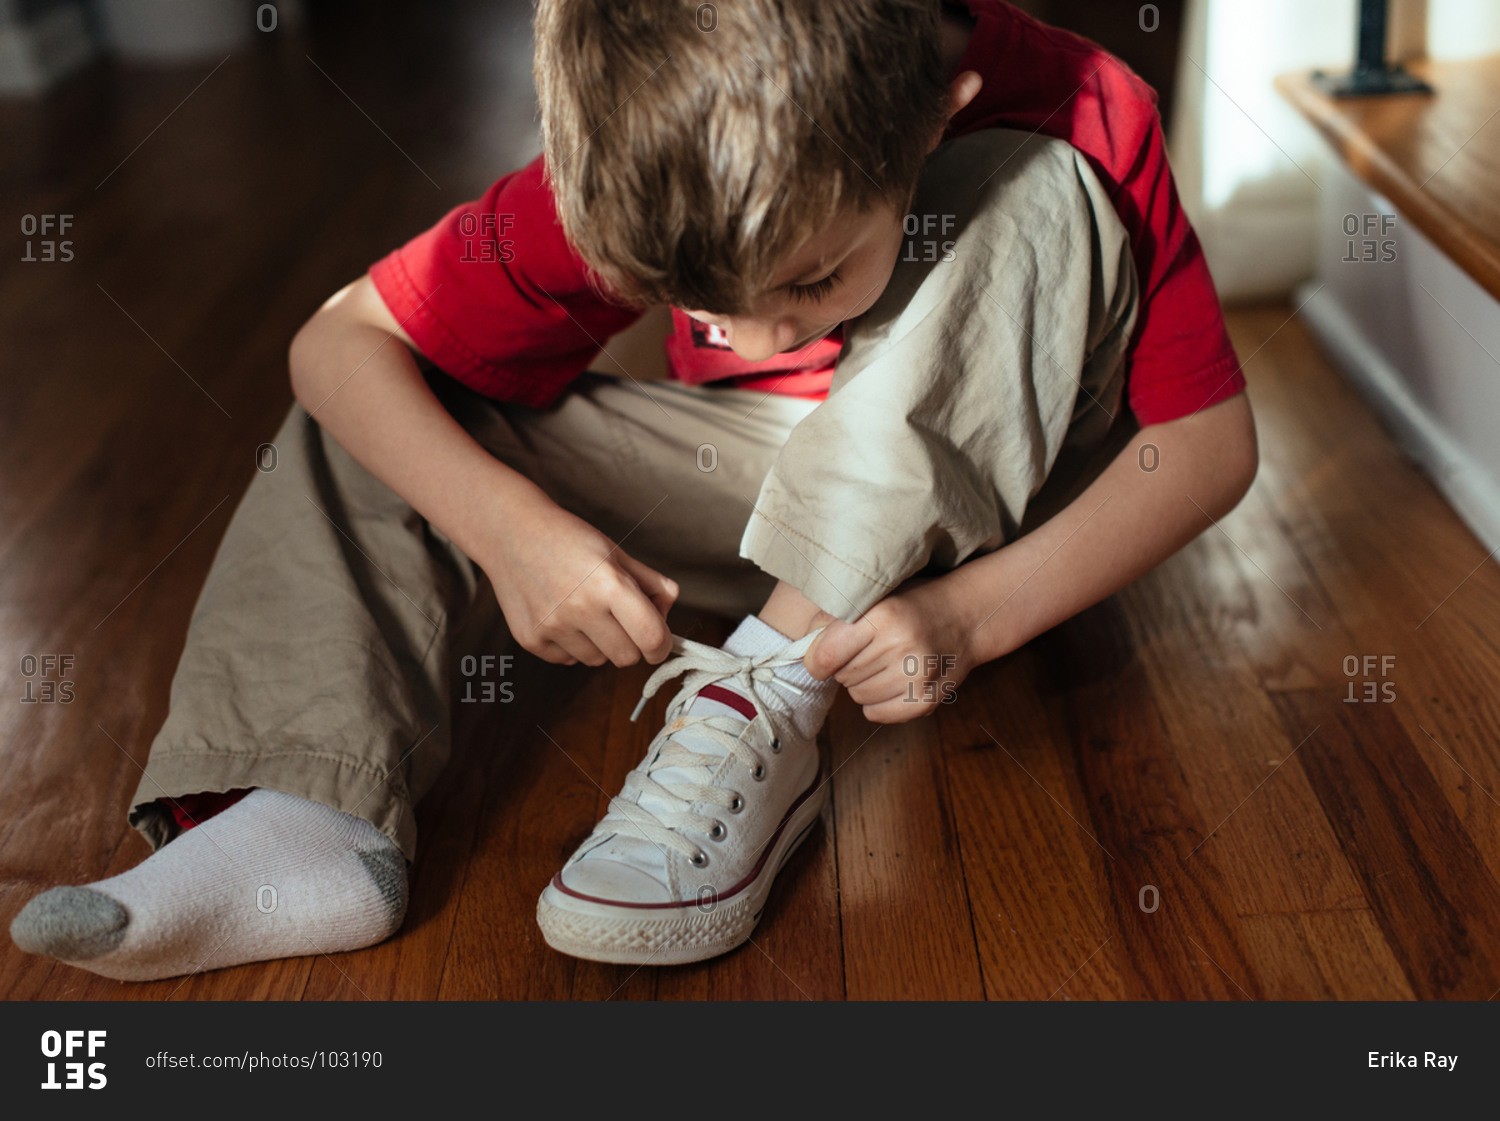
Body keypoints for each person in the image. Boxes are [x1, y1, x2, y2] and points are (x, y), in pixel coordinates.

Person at [10, 0, 1256, 977]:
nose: (756, 336)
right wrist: (513, 531)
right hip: (756, 483)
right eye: (705, 303)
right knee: (385, 403)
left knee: (1041, 194)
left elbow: (1207, 447)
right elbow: (334, 343)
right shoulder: (659, 147)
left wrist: (969, 619)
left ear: (939, 110)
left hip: (1000, 510)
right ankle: (307, 815)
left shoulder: (1086, 104)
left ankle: (762, 693)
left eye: (813, 281)